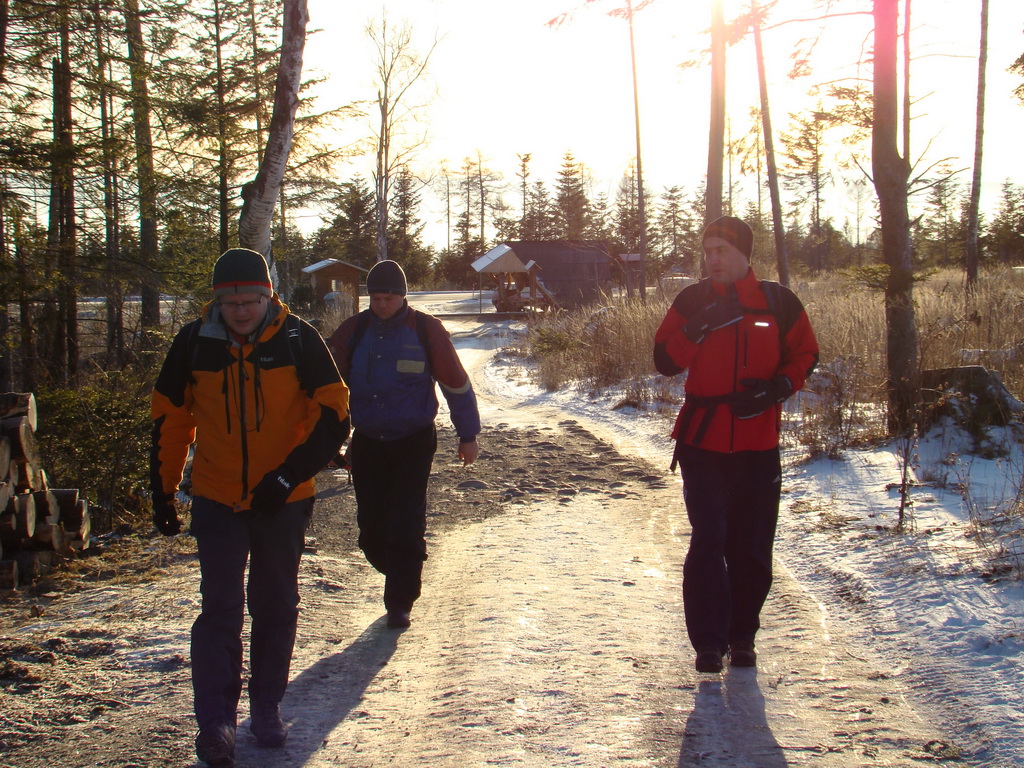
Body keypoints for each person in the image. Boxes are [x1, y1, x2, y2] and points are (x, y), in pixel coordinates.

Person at [150, 248, 350, 767]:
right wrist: (163, 492)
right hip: (216, 497)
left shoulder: (298, 339)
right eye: (231, 301)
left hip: (282, 500)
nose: (241, 309)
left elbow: (334, 416)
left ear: (269, 297)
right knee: (219, 609)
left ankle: (265, 707)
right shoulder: (194, 343)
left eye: (251, 299)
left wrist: (287, 476)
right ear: (217, 301)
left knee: (276, 604)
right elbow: (171, 421)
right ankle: (215, 723)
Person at [653, 216, 818, 674]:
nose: (713, 260)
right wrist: (697, 327)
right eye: (707, 251)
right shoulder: (693, 299)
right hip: (702, 442)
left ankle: (743, 635)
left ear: (746, 253)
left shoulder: (778, 301)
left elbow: (806, 353)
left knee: (751, 544)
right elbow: (664, 360)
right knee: (709, 539)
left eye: (721, 251)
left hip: (758, 440)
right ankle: (708, 642)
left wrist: (778, 388)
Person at [326, 260, 481, 630]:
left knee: (406, 519)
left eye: (389, 298)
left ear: (403, 296)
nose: (381, 305)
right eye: (375, 298)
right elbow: (326, 390)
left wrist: (468, 434)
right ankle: (398, 565)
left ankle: (401, 600)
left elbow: (455, 383)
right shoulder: (353, 331)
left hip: (413, 440)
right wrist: (327, 441)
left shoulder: (426, 330)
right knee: (371, 529)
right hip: (367, 441)